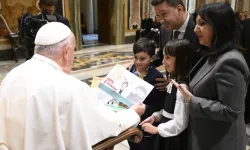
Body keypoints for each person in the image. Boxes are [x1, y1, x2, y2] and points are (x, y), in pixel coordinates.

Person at [0, 22, 146, 150]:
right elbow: (107, 126)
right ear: (65, 52)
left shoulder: (12, 76)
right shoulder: (71, 87)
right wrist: (132, 113)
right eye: (73, 51)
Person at [172, 3, 250, 150]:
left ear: (219, 27)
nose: (195, 29)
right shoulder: (212, 54)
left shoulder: (230, 61)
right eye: (196, 24)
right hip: (205, 137)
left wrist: (191, 99)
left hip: (221, 142)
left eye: (202, 24)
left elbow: (231, 111)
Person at [140, 39, 193, 150]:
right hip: (166, 133)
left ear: (181, 60)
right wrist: (156, 116)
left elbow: (180, 123)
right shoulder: (172, 81)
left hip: (174, 140)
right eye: (163, 57)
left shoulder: (182, 88)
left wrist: (157, 129)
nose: (163, 62)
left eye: (168, 58)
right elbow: (169, 110)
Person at [150, 0, 201, 92]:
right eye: (158, 15)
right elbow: (162, 54)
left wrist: (175, 83)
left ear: (179, 9)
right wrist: (143, 63)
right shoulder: (164, 29)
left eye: (164, 14)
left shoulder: (199, 28)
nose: (161, 20)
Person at [128, 38, 166, 150]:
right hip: (132, 120)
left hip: (147, 123)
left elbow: (161, 105)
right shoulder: (132, 69)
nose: (138, 62)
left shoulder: (157, 78)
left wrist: (146, 109)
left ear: (152, 58)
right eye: (135, 57)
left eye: (143, 59)